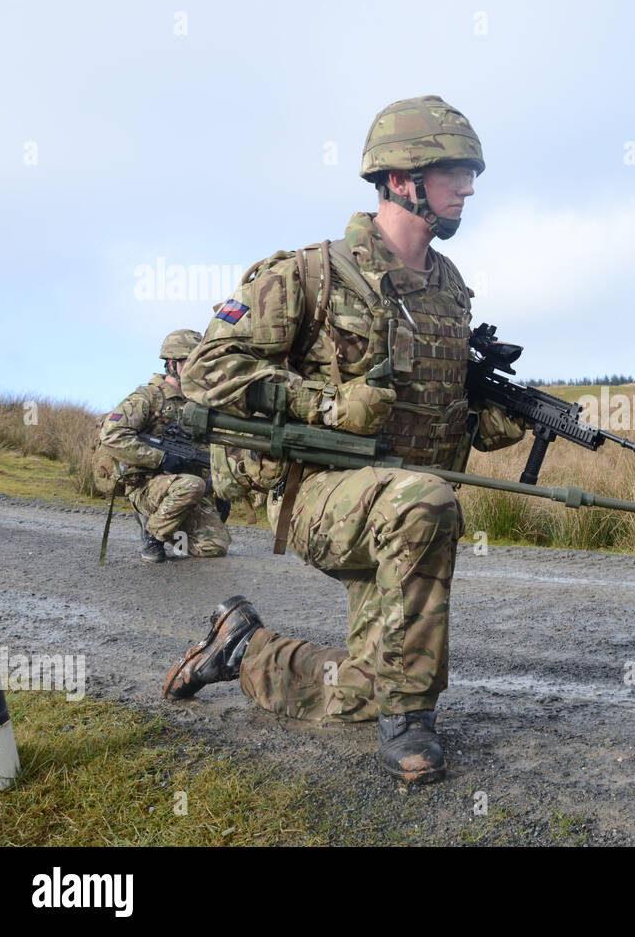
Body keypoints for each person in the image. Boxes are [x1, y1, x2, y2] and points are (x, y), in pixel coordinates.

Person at [163, 96, 525, 784]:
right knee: (427, 502)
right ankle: (412, 721)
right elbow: (207, 371)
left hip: (396, 505)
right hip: (316, 496)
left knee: (360, 691)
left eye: (471, 173)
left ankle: (243, 649)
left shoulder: (450, 291)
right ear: (400, 178)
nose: (469, 188)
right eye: (454, 171)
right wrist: (329, 403)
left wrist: (485, 426)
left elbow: (432, 421)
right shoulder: (313, 273)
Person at [99, 329, 232, 563]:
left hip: (185, 488)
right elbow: (111, 435)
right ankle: (153, 536)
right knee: (192, 484)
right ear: (172, 363)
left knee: (214, 546)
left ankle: (167, 524)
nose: (196, 369)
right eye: (189, 362)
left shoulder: (197, 405)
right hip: (146, 485)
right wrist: (159, 459)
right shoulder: (147, 398)